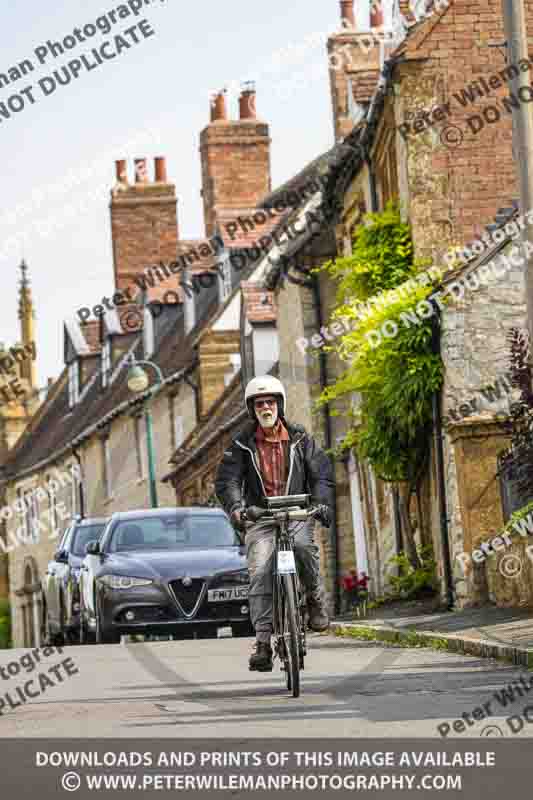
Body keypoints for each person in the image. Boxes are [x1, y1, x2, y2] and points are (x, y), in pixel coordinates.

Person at [215, 375, 334, 672]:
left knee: (303, 548)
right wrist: (238, 509)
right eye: (259, 404)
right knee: (259, 570)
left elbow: (321, 474)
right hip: (261, 517)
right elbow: (228, 481)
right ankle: (263, 642)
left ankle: (314, 599)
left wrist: (320, 502)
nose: (265, 408)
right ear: (252, 409)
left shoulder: (300, 438)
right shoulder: (241, 444)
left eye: (270, 402)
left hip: (296, 513)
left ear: (279, 405)